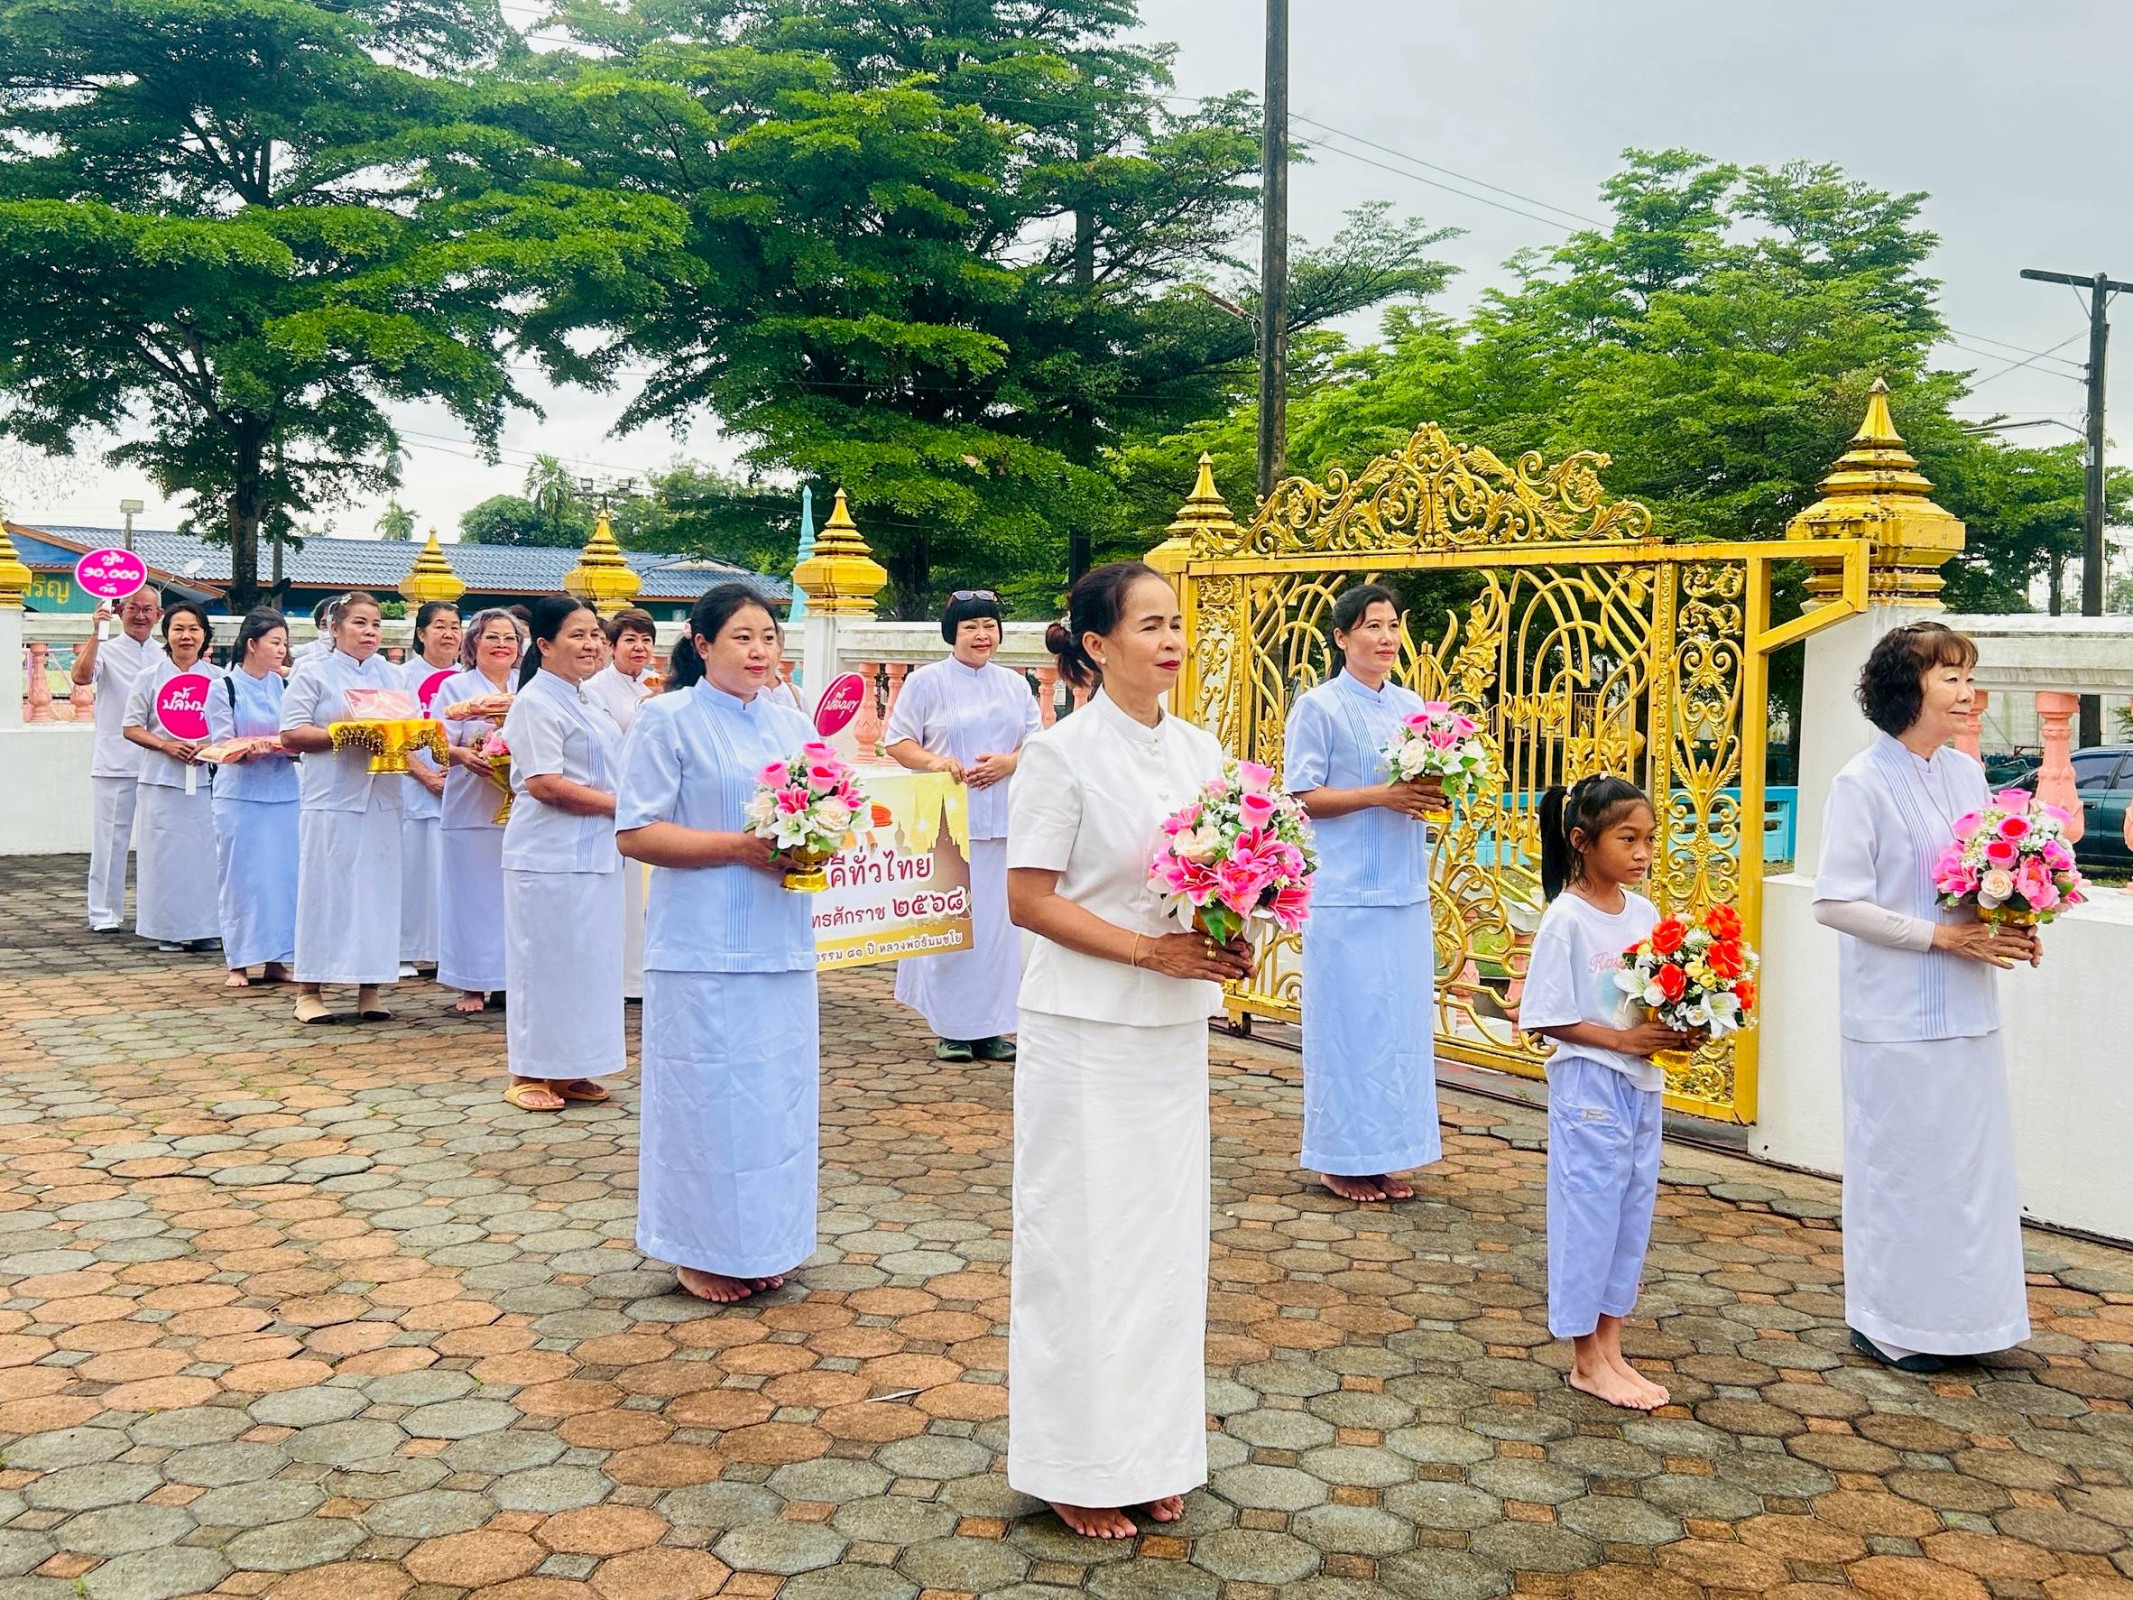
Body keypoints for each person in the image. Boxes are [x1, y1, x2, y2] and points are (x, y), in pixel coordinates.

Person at [1004, 561, 1253, 1540]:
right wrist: (1151, 948)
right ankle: (1070, 1462)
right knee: (1081, 1242)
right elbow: (1028, 898)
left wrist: (1236, 930)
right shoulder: (1059, 755)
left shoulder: (1204, 751)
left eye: (1176, 623)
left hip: (1169, 1032)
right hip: (1083, 1029)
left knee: (1159, 1248)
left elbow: (1235, 870)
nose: (1170, 638)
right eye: (1149, 624)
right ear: (1097, 645)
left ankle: (1148, 1451)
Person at [1812, 621, 2037, 1374]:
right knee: (1901, 1172)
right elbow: (1834, 904)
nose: (1967, 691)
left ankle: (1970, 1322)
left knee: (1966, 1175)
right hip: (1892, 1013)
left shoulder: (1965, 777)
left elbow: (1973, 887)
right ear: (1907, 691)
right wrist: (1940, 940)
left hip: (1967, 1005)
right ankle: (1890, 1324)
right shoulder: (1859, 783)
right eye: (1950, 677)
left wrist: (2011, 925)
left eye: (1967, 675)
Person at [616, 584, 819, 1305]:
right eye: (742, 637)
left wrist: (816, 845)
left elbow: (823, 813)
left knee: (774, 1099)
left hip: (781, 937)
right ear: (702, 645)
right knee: (704, 1097)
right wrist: (741, 848)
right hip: (701, 942)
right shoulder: (664, 719)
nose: (759, 650)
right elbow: (636, 830)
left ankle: (766, 1241)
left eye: (768, 636)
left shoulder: (792, 726)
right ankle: (696, 1250)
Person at [1520, 774, 1694, 1411]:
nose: (1644, 852)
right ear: (1581, 841)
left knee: (1630, 1216)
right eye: (1628, 838)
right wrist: (1620, 1043)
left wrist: (1679, 1028)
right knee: (1588, 1216)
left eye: (1650, 839)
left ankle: (1613, 1346)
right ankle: (1585, 1359)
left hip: (1641, 1086)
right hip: (1589, 1085)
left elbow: (1650, 996)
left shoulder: (1645, 914)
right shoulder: (1565, 920)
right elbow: (1542, 1015)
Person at [1282, 584, 1445, 1204]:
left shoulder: (1414, 709)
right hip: (1343, 891)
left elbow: (1422, 785)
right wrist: (1381, 795)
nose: (1385, 637)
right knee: (1347, 1026)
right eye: (1371, 626)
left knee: (1397, 1028)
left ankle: (1387, 1153)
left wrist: (1433, 792)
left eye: (1394, 625)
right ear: (1342, 636)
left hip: (1402, 890)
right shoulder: (1318, 708)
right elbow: (1301, 796)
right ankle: (1339, 1158)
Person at [884, 589, 1040, 1062]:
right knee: (950, 923)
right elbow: (897, 741)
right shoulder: (926, 682)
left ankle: (991, 1028)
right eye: (971, 626)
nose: (981, 635)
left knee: (995, 930)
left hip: (1001, 823)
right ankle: (952, 1027)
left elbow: (1039, 744)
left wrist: (1009, 763)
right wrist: (933, 762)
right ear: (952, 632)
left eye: (989, 626)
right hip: (945, 823)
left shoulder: (1015, 684)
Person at [497, 598, 627, 1111]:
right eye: (577, 635)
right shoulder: (535, 702)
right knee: (542, 962)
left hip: (596, 851)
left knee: (586, 964)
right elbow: (545, 784)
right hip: (546, 854)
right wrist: (622, 806)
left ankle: (571, 1068)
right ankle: (527, 1072)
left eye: (596, 634)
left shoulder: (586, 699)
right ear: (545, 645)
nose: (591, 644)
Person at [278, 591, 405, 1023]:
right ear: (334, 629)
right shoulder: (314, 673)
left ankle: (371, 986)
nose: (370, 632)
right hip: (331, 797)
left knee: (378, 892)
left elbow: (411, 729)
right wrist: (346, 734)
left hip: (383, 797)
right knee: (324, 890)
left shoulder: (394, 677)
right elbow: (291, 735)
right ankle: (309, 989)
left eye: (375, 625)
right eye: (359, 623)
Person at [121, 600, 224, 952]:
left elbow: (229, 729)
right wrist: (166, 745)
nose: (186, 636)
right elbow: (131, 727)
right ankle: (167, 929)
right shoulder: (148, 677)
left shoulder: (219, 679)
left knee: (207, 855)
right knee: (164, 858)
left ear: (205, 635)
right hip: (161, 783)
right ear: (167, 634)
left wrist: (207, 746)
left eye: (194, 629)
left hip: (208, 781)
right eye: (179, 629)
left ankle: (207, 927)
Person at [436, 609, 524, 1013]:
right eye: (492, 637)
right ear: (474, 644)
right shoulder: (455, 688)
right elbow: (436, 744)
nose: (502, 645)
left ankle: (511, 980)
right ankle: (471, 984)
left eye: (509, 638)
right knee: (472, 897)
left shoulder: (531, 686)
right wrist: (462, 755)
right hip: (470, 803)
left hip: (520, 806)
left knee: (514, 899)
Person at [205, 608, 299, 986]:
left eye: (285, 644)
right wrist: (249, 750)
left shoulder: (286, 687)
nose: (281, 650)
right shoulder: (223, 687)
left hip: (285, 793)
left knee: (283, 877)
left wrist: (288, 747)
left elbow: (297, 734)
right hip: (240, 794)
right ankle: (239, 961)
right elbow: (221, 743)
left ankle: (278, 958)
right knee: (242, 876)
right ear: (251, 644)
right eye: (275, 642)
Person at [73, 588, 164, 932]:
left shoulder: (166, 656)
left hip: (161, 760)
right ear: (120, 611)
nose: (140, 615)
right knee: (110, 841)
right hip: (115, 761)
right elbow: (81, 677)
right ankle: (103, 913)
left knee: (160, 840)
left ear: (159, 614)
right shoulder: (107, 649)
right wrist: (97, 630)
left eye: (148, 609)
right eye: (133, 608)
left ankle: (157, 914)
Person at [585, 607, 659, 1002]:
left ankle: (645, 970)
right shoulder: (597, 688)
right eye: (630, 640)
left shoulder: (656, 684)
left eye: (646, 640)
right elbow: (607, 741)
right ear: (611, 646)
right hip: (617, 792)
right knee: (626, 892)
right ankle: (626, 978)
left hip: (654, 795)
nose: (639, 648)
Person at [398, 601, 462, 978]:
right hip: (412, 783)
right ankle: (405, 948)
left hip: (458, 785)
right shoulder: (400, 678)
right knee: (413, 868)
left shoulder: (467, 681)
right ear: (421, 634)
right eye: (439, 626)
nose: (449, 634)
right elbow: (391, 733)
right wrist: (424, 774)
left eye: (455, 626)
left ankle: (444, 949)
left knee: (449, 870)